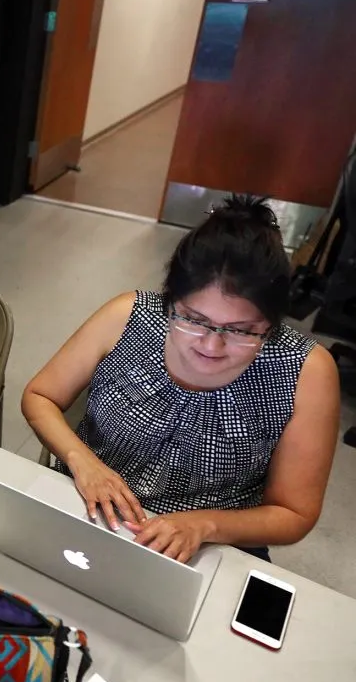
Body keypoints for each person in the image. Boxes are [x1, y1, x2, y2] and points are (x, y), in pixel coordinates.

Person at [22, 195, 339, 563]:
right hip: (86, 509)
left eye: (242, 331)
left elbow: (294, 512)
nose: (212, 344)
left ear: (273, 324)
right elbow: (40, 396)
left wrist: (205, 526)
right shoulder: (129, 316)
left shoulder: (304, 369)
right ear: (170, 299)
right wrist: (83, 461)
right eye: (193, 319)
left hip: (212, 546)